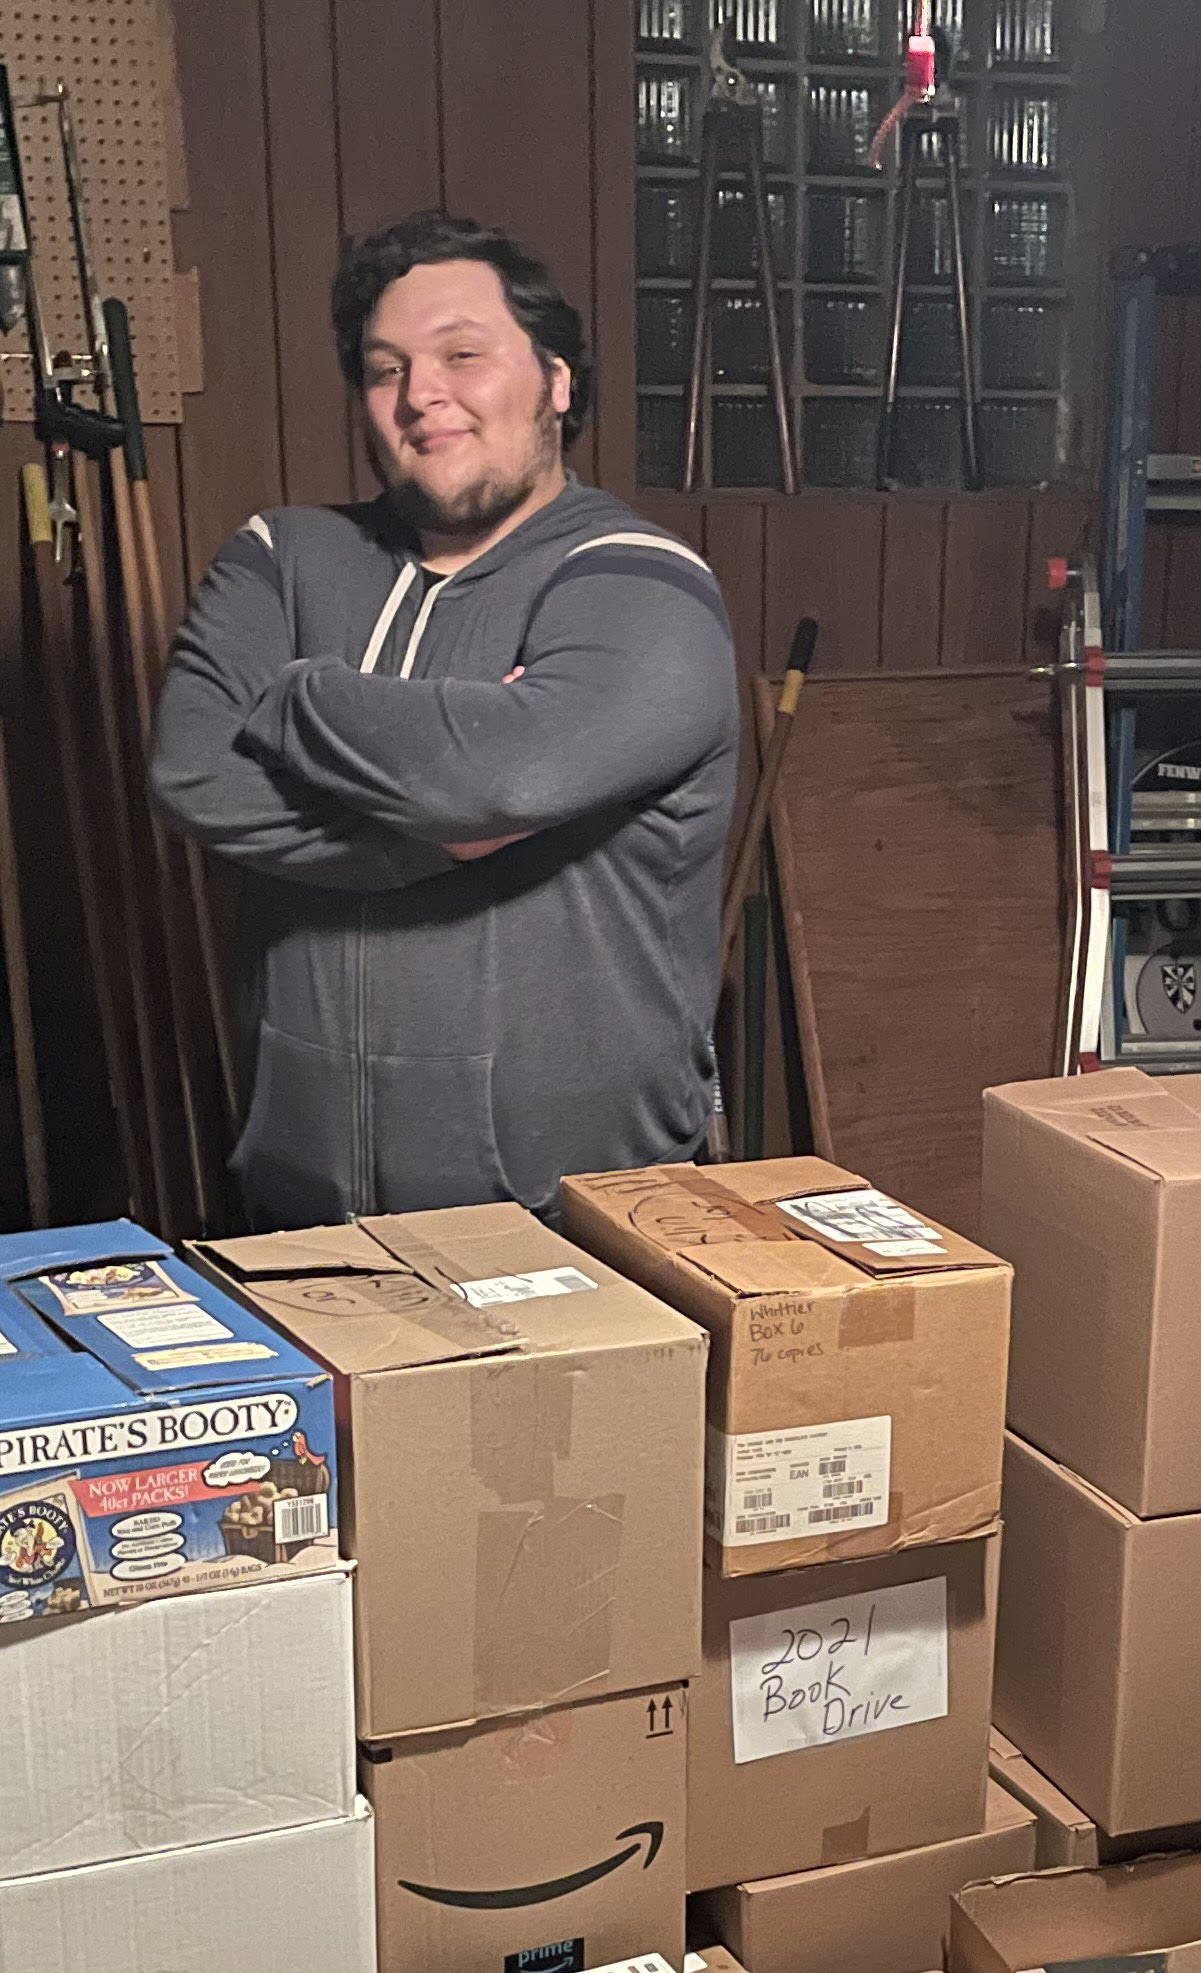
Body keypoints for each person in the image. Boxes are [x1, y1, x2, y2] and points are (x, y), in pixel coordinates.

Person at [152, 212, 737, 1223]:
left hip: (571, 1212)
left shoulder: (640, 585)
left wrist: (289, 695)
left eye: (463, 354)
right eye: (387, 369)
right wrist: (439, 827)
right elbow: (192, 771)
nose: (421, 393)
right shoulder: (283, 557)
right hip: (298, 1198)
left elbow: (497, 779)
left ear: (557, 381)